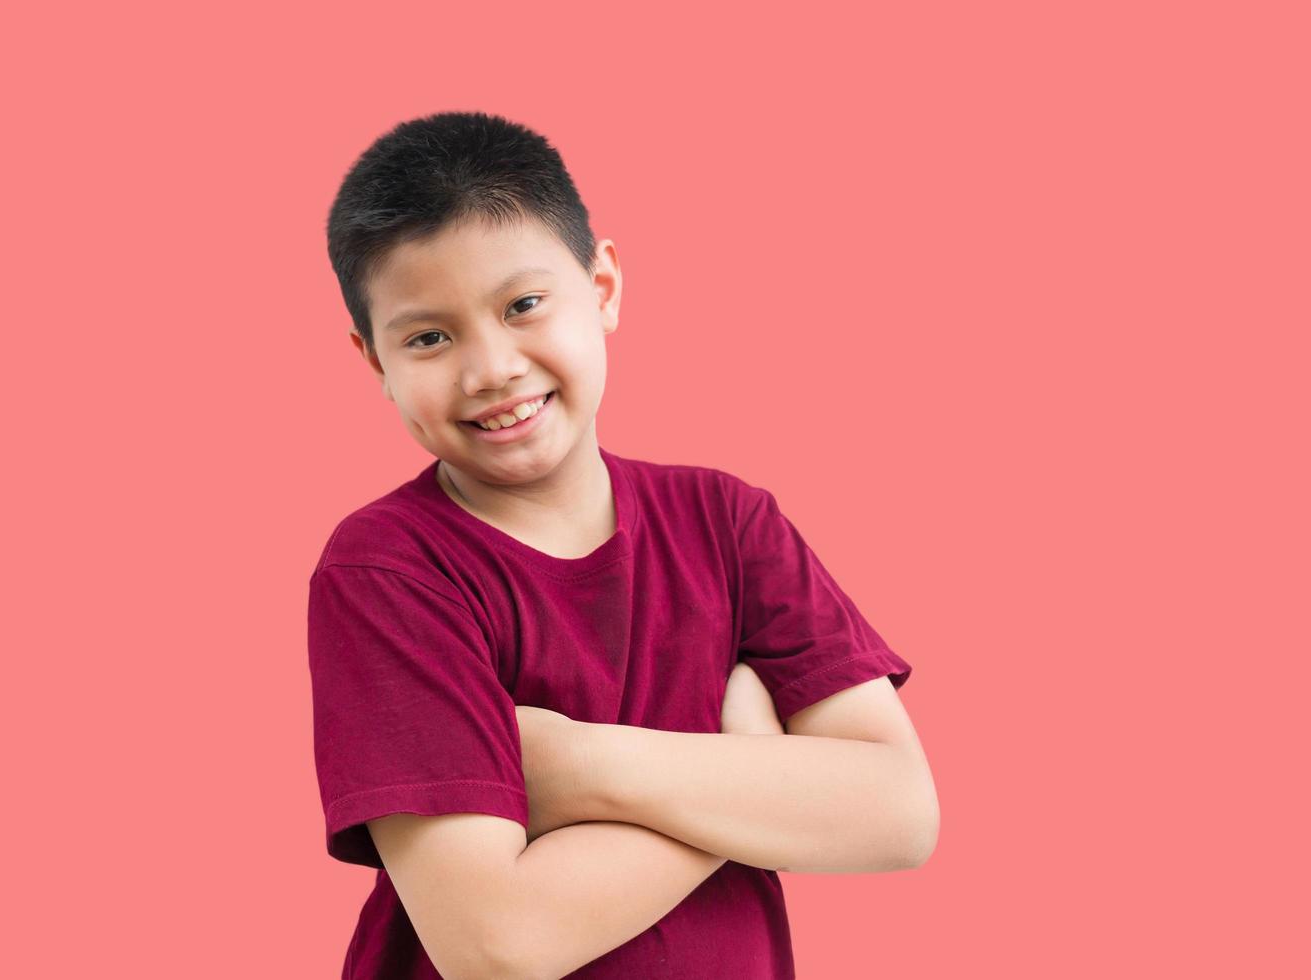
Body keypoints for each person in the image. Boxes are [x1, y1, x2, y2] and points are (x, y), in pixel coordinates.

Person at [309, 110, 937, 980]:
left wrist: (577, 765)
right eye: (428, 337)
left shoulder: (728, 521)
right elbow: (497, 945)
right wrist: (755, 773)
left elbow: (899, 814)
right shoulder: (389, 569)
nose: (491, 368)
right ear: (374, 361)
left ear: (601, 286)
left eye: (523, 305)